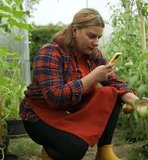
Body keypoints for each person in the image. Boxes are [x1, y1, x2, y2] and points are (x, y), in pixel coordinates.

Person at [19, 8, 141, 160]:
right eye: (91, 36)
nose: (96, 43)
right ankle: (50, 153)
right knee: (75, 148)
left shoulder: (94, 55)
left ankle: (104, 151)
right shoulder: (50, 53)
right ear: (75, 30)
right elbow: (54, 98)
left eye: (99, 37)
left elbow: (115, 83)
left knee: (111, 93)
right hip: (40, 115)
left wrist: (138, 103)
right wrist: (92, 77)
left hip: (70, 111)